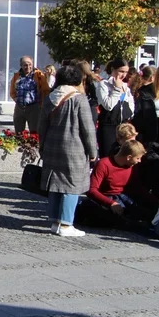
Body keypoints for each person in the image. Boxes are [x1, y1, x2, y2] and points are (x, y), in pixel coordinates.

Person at [38, 65, 98, 238]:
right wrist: (92, 151)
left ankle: (55, 221)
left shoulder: (50, 98)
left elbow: (42, 126)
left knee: (55, 184)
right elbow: (88, 128)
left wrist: (42, 146)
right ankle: (66, 224)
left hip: (51, 145)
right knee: (72, 185)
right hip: (74, 147)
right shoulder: (79, 99)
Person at [77, 140, 156, 229]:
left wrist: (157, 202)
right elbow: (91, 190)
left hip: (123, 199)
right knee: (94, 209)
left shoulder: (132, 166)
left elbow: (138, 188)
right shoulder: (104, 164)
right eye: (138, 158)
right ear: (129, 157)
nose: (139, 161)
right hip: (106, 199)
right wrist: (111, 203)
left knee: (143, 212)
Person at [95, 58, 135, 157]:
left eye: (126, 72)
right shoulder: (103, 85)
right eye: (121, 71)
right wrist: (116, 89)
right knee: (108, 155)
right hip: (108, 125)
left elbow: (131, 106)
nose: (124, 75)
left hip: (123, 126)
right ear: (113, 69)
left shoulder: (126, 87)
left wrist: (128, 113)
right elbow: (108, 105)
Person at [10, 56, 50, 134]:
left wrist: (41, 104)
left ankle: (33, 146)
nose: (28, 67)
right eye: (25, 65)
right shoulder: (17, 76)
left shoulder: (39, 75)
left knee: (35, 132)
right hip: (19, 107)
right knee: (19, 132)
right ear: (21, 65)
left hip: (34, 107)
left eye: (30, 64)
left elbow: (46, 91)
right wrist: (15, 99)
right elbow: (12, 91)